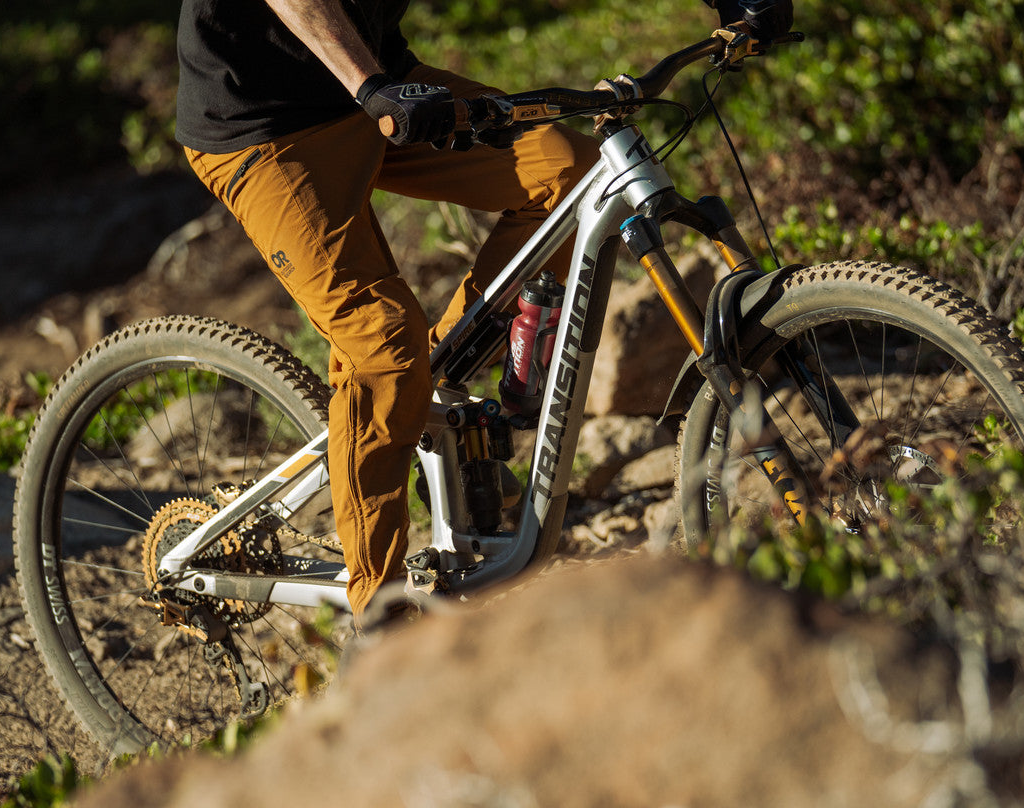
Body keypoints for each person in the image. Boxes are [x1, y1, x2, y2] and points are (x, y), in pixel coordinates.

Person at [174, 0, 793, 623]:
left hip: (378, 91)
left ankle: (430, 383)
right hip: (265, 127)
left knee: (569, 174)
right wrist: (372, 84)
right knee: (382, 345)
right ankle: (378, 616)